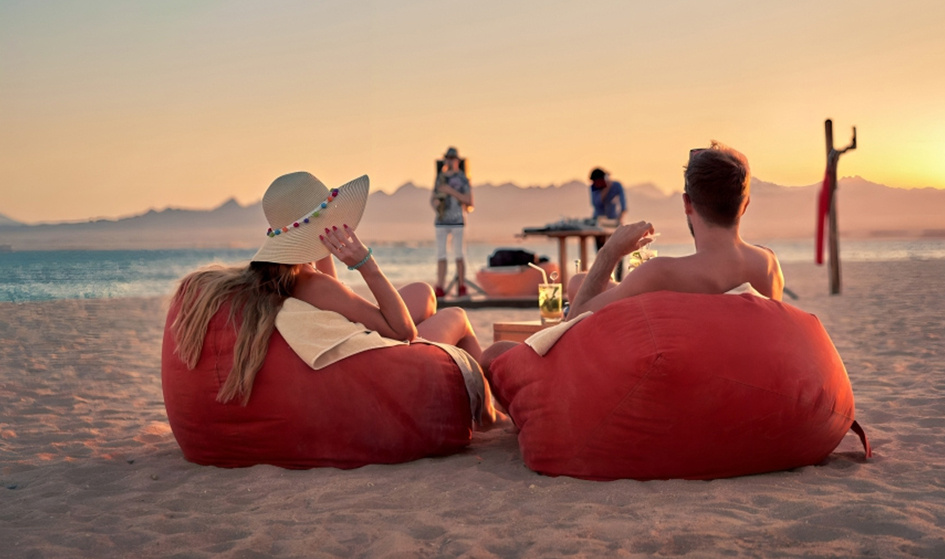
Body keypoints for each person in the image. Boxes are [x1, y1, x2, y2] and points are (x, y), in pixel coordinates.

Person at [169, 172, 494, 423]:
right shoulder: (312, 284)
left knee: (423, 292)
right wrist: (366, 264)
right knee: (457, 317)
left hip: (353, 340)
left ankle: (487, 409)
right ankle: (490, 415)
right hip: (386, 360)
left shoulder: (275, 279)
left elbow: (334, 297)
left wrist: (319, 242)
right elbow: (404, 332)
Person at [479, 142, 784, 372]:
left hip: (672, 392)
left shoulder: (663, 273)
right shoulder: (768, 266)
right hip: (733, 382)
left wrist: (610, 251)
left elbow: (571, 326)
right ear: (745, 204)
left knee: (494, 354)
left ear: (687, 204)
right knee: (581, 282)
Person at [431, 147, 474, 297]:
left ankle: (461, 286)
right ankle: (440, 286)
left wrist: (450, 191)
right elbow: (433, 198)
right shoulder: (440, 177)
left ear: (457, 161)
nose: (449, 161)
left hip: (457, 221)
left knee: (459, 254)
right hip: (441, 220)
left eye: (451, 159)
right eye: (447, 158)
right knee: (441, 255)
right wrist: (436, 204)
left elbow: (469, 200)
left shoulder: (463, 178)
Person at [588, 167, 627, 280]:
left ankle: (618, 280)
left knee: (619, 252)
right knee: (601, 253)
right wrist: (606, 189)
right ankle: (603, 279)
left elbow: (623, 205)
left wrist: (620, 219)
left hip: (613, 221)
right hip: (599, 222)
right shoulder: (594, 187)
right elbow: (596, 203)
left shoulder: (617, 186)